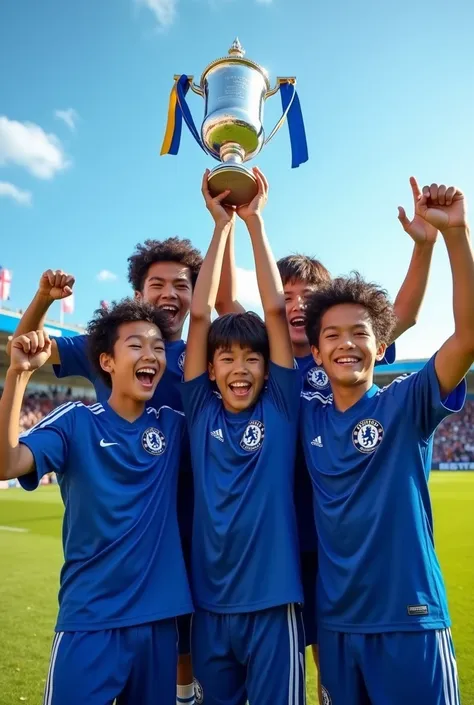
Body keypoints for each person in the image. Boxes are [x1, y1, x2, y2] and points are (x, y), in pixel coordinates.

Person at [6, 236, 241, 705]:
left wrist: (230, 225)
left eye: (182, 285)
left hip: (191, 524)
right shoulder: (101, 364)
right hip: (103, 569)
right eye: (158, 284)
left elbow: (229, 319)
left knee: (188, 640)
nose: (169, 293)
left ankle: (186, 694)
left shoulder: (202, 356)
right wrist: (36, 321)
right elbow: (28, 347)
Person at [300, 179, 472, 705]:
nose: (346, 343)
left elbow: (467, 338)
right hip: (336, 626)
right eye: (331, 335)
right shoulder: (305, 417)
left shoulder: (406, 402)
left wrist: (455, 236)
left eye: (359, 333)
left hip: (410, 619)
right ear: (316, 352)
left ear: (382, 344)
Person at [277, 175, 438, 696]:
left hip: (335, 541)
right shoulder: (263, 365)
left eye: (307, 295)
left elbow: (401, 316)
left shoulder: (342, 358)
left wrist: (423, 246)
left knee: (331, 646)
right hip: (280, 538)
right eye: (286, 295)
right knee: (282, 653)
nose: (297, 303)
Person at [0, 299, 193, 705]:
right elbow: (8, 463)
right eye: (136, 346)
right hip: (90, 620)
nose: (151, 356)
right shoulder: (76, 420)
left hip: (159, 622)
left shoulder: (174, 427)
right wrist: (18, 376)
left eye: (158, 347)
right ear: (106, 361)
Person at [181, 168, 304, 705]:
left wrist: (254, 224)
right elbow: (202, 312)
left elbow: (275, 310)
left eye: (252, 358)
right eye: (226, 358)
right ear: (210, 370)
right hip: (210, 607)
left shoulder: (281, 405)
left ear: (267, 367)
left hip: (275, 605)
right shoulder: (198, 411)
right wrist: (218, 227)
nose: (239, 368)